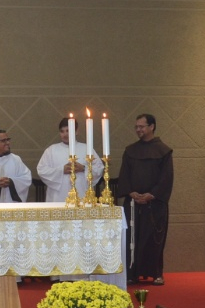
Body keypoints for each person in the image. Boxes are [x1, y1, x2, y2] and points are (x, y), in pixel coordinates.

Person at [116, 114, 174, 286]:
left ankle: (156, 273)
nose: (138, 130)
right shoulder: (130, 150)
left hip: (154, 204)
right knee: (132, 239)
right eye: (136, 127)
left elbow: (166, 178)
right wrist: (131, 193)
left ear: (152, 127)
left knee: (153, 240)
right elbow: (124, 175)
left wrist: (151, 194)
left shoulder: (164, 151)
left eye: (142, 126)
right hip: (133, 203)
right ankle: (132, 274)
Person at [37, 118, 105, 203]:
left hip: (82, 195)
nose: (65, 134)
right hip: (58, 197)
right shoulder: (51, 150)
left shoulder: (86, 148)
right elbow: (42, 170)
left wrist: (84, 168)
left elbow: (99, 168)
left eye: (68, 131)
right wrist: (61, 170)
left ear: (76, 132)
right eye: (62, 131)